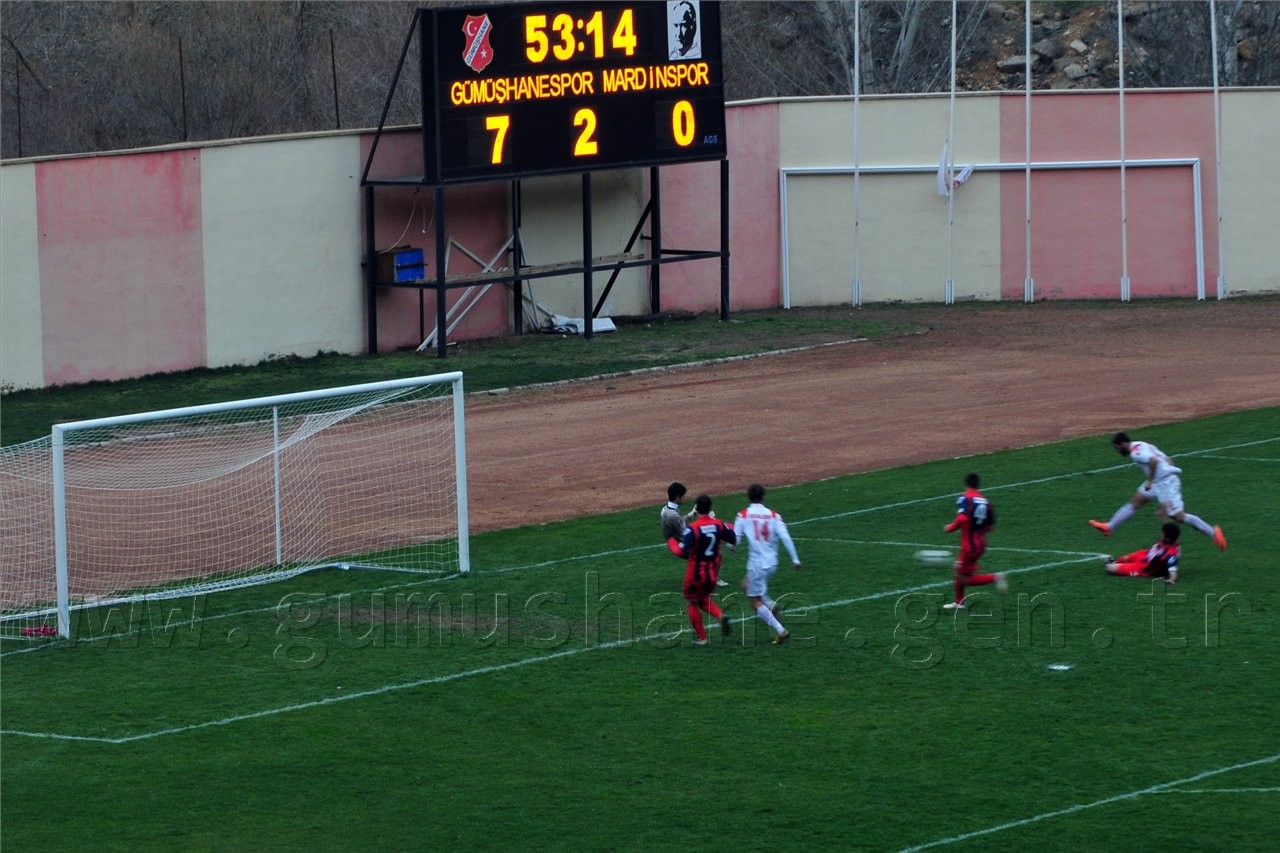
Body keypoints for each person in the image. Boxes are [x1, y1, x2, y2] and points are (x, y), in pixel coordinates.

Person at [1089, 432, 1227, 552]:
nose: (1117, 451)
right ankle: (1109, 527)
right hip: (1159, 482)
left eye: (1117, 448)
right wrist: (1165, 472)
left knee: (1178, 517)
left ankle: (1213, 533)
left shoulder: (1136, 453)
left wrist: (1151, 480)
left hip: (1165, 483)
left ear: (1123, 443)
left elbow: (1153, 460)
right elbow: (1165, 458)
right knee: (1136, 502)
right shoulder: (1141, 444)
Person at [733, 483, 801, 645]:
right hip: (772, 564)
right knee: (745, 585)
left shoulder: (743, 515)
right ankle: (771, 605)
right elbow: (785, 536)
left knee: (754, 601)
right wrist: (795, 559)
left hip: (757, 564)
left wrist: (731, 546)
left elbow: (735, 540)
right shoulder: (774, 515)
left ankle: (781, 630)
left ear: (748, 497)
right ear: (763, 497)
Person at [668, 494, 736, 646]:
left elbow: (680, 551)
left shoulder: (692, 529)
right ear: (710, 508)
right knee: (703, 599)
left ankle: (702, 638)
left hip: (695, 575)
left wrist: (671, 542)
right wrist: (729, 526)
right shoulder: (718, 524)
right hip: (712, 574)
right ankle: (721, 616)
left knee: (692, 602)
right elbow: (733, 538)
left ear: (696, 509)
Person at [943, 472, 1007, 610]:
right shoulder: (986, 502)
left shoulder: (965, 498)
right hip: (980, 543)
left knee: (961, 577)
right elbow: (990, 527)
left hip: (969, 545)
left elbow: (963, 518)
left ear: (965, 484)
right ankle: (959, 603)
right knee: (960, 571)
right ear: (978, 485)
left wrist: (951, 528)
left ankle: (995, 578)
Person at [661, 481, 728, 586]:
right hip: (681, 545)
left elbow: (680, 522)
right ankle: (714, 578)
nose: (684, 498)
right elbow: (688, 532)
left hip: (675, 542)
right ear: (677, 497)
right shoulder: (672, 515)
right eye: (682, 496)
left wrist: (691, 514)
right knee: (715, 551)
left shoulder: (666, 510)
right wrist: (709, 519)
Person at [1103, 522, 1181, 584]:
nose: (1161, 534)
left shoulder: (1170, 554)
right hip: (1144, 555)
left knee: (1109, 568)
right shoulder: (1171, 540)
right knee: (1126, 558)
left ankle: (1113, 564)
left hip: (1143, 568)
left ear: (1167, 538)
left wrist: (1172, 579)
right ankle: (1115, 561)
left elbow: (1173, 570)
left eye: (1163, 533)